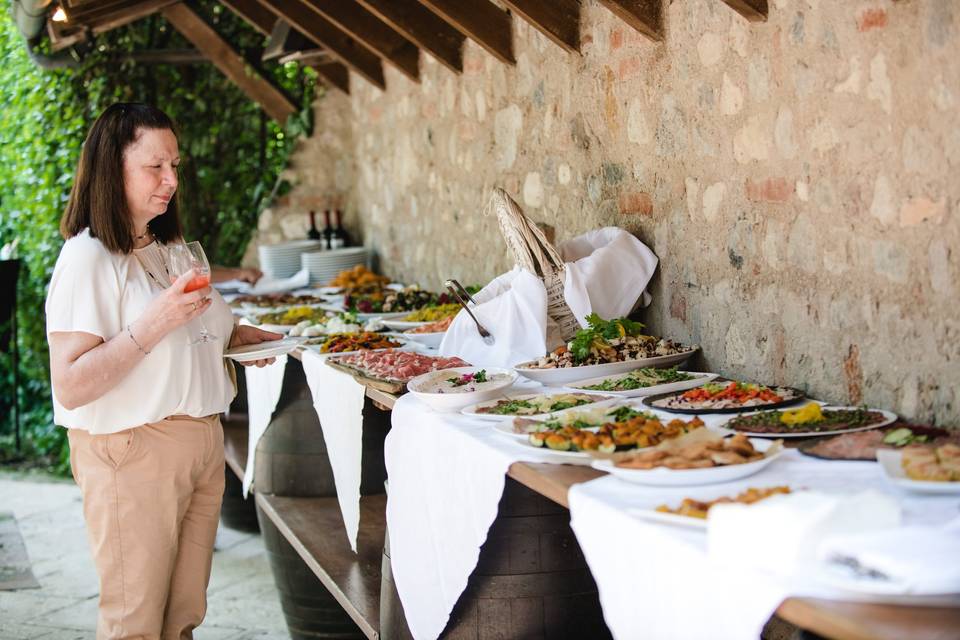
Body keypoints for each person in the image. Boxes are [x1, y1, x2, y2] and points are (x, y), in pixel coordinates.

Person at [45, 103, 281, 639]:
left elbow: (197, 335)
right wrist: (154, 324)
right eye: (156, 166)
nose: (172, 180)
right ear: (112, 167)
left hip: (200, 444)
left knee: (181, 619)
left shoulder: (166, 245)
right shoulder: (87, 257)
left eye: (175, 165)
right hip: (133, 452)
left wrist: (236, 340)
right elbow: (72, 383)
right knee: (135, 623)